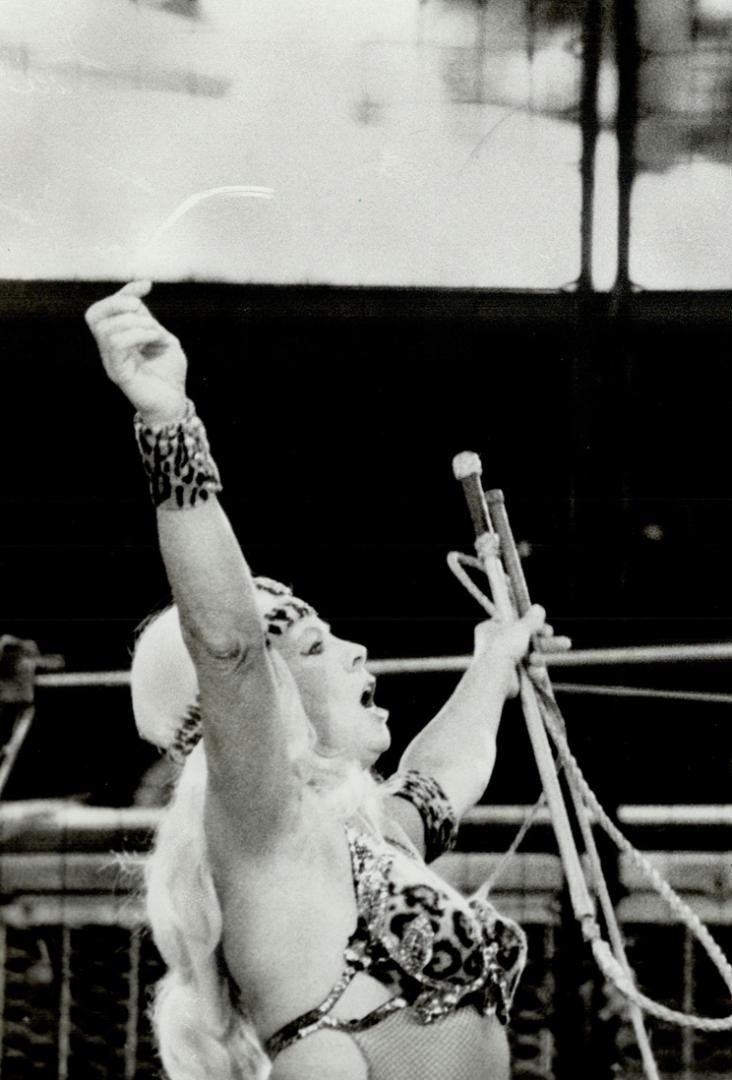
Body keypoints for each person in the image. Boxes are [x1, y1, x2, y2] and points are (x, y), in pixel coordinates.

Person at [86, 281, 560, 1080]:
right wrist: (171, 423)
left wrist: (494, 661)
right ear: (251, 705)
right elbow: (228, 645)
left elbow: (440, 777)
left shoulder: (367, 838)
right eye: (309, 646)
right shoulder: (262, 829)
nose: (350, 648)